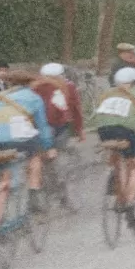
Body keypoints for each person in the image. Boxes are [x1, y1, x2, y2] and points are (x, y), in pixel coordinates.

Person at [93, 67, 135, 229]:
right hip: (126, 131)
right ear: (134, 82)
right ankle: (128, 201)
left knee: (117, 156)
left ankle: (115, 176)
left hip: (104, 131)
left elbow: (99, 116)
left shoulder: (106, 94)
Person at [0, 70, 54, 218]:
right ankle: (34, 191)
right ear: (29, 83)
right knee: (36, 156)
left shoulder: (0, 98)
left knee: (6, 175)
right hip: (19, 139)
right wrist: (48, 146)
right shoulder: (34, 98)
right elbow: (42, 126)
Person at [31, 63, 85, 210]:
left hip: (37, 128)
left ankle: (37, 193)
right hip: (58, 128)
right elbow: (75, 108)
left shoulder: (34, 87)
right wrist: (79, 129)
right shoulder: (68, 86)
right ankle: (63, 196)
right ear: (61, 75)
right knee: (59, 160)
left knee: (39, 160)